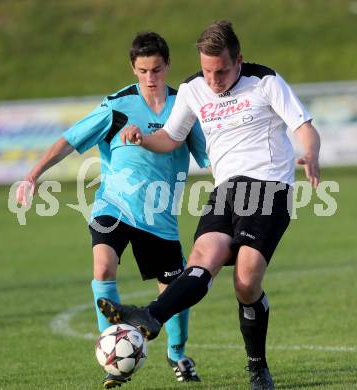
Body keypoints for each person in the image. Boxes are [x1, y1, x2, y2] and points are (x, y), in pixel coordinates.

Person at [96, 20, 321, 390]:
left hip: (267, 187)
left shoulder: (265, 81)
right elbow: (170, 137)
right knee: (202, 260)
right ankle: (150, 316)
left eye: (221, 71)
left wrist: (310, 153)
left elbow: (304, 126)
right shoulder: (193, 88)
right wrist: (141, 139)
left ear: (239, 60)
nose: (213, 80)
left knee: (246, 282)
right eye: (206, 70)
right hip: (225, 190)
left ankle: (258, 366)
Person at [16, 32, 210, 388]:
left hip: (160, 216)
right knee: (103, 266)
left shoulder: (185, 106)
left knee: (173, 290)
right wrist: (32, 175)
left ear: (167, 65)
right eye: (142, 70)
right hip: (114, 206)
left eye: (156, 69)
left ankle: (177, 353)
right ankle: (112, 355)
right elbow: (69, 140)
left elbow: (210, 155)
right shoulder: (117, 105)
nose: (150, 78)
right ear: (133, 69)